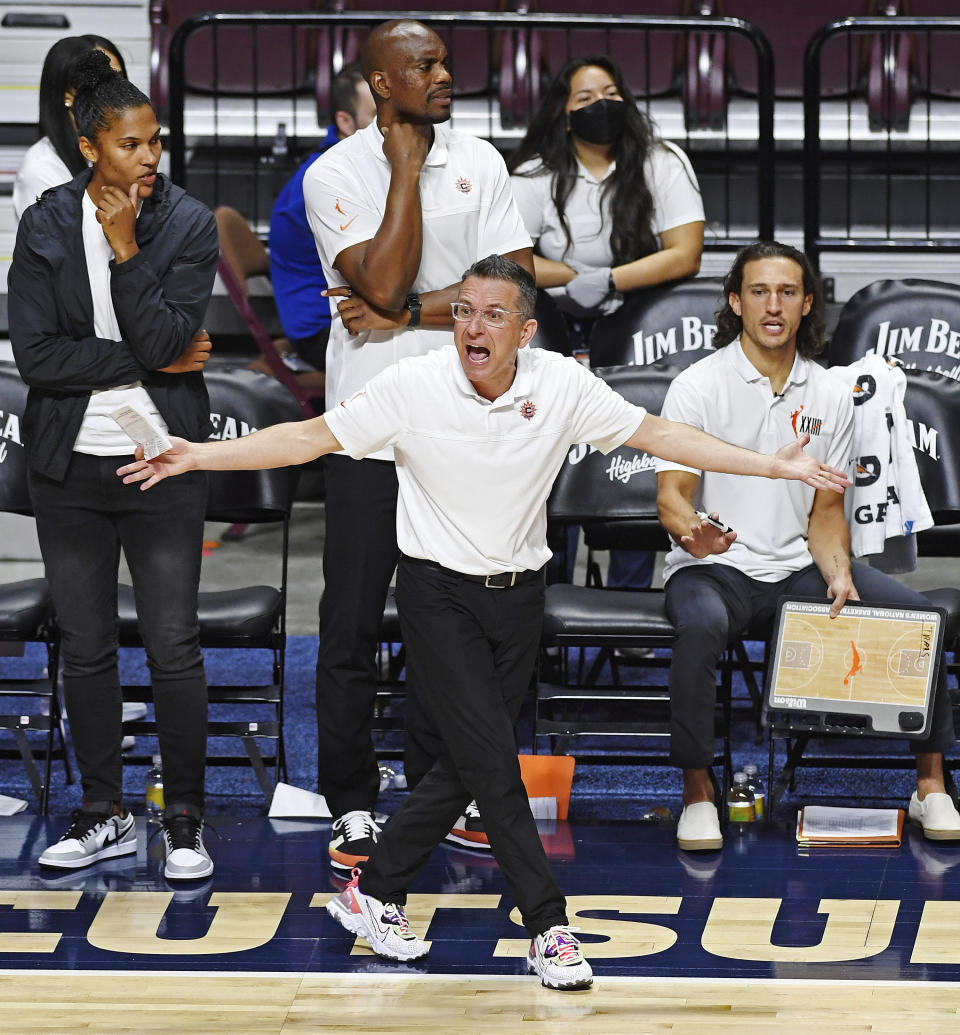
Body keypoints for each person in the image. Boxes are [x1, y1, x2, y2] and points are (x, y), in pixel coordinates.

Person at [117, 254, 848, 989]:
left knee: (468, 763)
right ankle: (549, 925)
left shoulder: (560, 382)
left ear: (525, 331)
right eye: (464, 309)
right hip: (439, 594)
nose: (473, 325)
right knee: (496, 767)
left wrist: (771, 467)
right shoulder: (412, 385)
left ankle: (372, 893)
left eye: (493, 314)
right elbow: (308, 439)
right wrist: (195, 457)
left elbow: (659, 435)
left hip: (520, 595)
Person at [300, 19, 534, 871]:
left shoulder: (483, 160)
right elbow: (386, 275)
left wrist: (404, 316)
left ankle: (452, 784)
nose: (445, 73)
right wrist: (401, 169)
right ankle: (353, 802)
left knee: (458, 618)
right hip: (369, 426)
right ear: (382, 84)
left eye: (441, 59)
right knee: (353, 618)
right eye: (424, 65)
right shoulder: (333, 174)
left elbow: (514, 283)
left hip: (466, 425)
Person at [655, 241, 960, 852]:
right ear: (736, 303)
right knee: (699, 627)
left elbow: (825, 513)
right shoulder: (696, 386)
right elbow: (671, 498)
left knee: (922, 618)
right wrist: (697, 533)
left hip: (797, 566)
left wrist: (840, 572)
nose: (774, 305)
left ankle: (930, 784)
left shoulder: (828, 393)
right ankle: (697, 792)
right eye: (760, 292)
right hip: (715, 568)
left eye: (788, 292)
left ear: (807, 304)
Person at [8, 50, 219, 880]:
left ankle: (187, 822)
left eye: (155, 142)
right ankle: (102, 812)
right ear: (91, 145)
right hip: (68, 462)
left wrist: (128, 251)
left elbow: (173, 344)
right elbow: (36, 357)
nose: (149, 157)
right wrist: (139, 360)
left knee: (174, 646)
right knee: (87, 644)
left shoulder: (189, 223)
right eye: (131, 144)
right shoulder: (46, 222)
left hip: (161, 460)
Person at [509, 54, 704, 591]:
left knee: (634, 455)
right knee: (553, 453)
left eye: (611, 93)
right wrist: (570, 277)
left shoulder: (662, 161)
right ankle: (547, 597)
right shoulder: (535, 173)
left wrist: (612, 279)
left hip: (640, 322)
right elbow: (508, 255)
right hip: (554, 325)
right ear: (563, 114)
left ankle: (630, 594)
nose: (602, 106)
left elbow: (686, 253)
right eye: (585, 98)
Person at [268, 62, 376, 373]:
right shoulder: (329, 179)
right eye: (377, 116)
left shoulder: (359, 166)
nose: (392, 126)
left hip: (346, 313)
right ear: (345, 121)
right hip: (323, 330)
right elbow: (377, 278)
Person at [13, 35, 127, 225]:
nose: (115, 91)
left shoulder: (126, 150)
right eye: (101, 80)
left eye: (119, 79)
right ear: (67, 95)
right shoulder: (41, 170)